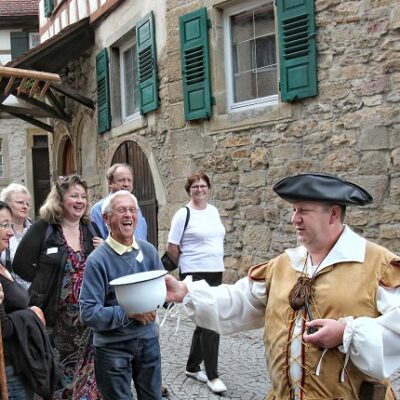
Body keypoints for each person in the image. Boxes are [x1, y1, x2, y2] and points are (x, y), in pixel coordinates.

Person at [164, 172, 400, 400]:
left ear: (333, 215)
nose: (294, 219)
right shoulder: (284, 265)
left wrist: (347, 334)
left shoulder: (377, 265)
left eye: (304, 211)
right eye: (294, 210)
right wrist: (185, 292)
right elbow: (239, 301)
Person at [12, 175, 102, 400]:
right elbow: (21, 264)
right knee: (58, 379)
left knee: (88, 380)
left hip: (88, 323)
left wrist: (104, 249)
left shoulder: (90, 228)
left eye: (83, 196)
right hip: (55, 323)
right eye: (74, 195)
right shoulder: (45, 228)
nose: (80, 201)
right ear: (60, 200)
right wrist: (45, 283)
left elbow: (102, 266)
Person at [80, 190, 164, 400]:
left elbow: (161, 292)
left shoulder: (149, 251)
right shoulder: (97, 260)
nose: (128, 215)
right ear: (106, 219)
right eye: (121, 210)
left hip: (148, 341)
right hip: (112, 348)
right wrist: (130, 313)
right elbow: (89, 313)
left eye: (132, 210)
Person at [166, 172, 227, 394]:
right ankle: (213, 376)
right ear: (188, 190)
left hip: (215, 272)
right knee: (212, 321)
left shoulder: (213, 211)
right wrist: (186, 270)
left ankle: (192, 367)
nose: (199, 189)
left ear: (208, 188)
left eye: (203, 185)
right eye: (195, 186)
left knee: (205, 321)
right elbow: (172, 247)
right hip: (195, 273)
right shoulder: (183, 214)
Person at [0, 201, 61, 400]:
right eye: (3, 225)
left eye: (10, 225)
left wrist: (29, 308)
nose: (10, 232)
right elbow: (4, 329)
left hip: (20, 365)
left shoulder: (2, 266)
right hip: (8, 368)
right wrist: (30, 314)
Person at [91, 163, 147, 240]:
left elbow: (141, 237)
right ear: (110, 183)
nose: (126, 184)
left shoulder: (136, 208)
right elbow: (99, 243)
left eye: (129, 180)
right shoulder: (98, 209)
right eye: (121, 180)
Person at [0, 183, 32, 289]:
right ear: (6, 203)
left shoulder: (35, 230)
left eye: (28, 204)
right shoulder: (3, 232)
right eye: (20, 202)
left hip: (34, 295)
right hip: (9, 294)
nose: (25, 207)